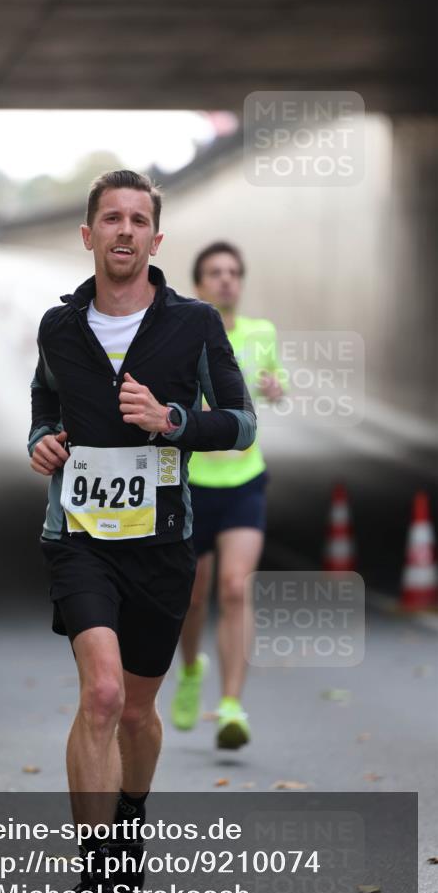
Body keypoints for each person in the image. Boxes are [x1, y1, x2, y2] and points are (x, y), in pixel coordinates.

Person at [28, 173, 255, 893]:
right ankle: (94, 877)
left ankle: (129, 817)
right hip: (80, 538)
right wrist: (42, 441)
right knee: (97, 697)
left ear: (156, 241)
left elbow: (242, 424)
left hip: (160, 547)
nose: (123, 231)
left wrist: (172, 420)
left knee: (134, 710)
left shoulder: (190, 324)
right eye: (110, 219)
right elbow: (42, 402)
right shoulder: (59, 328)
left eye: (138, 221)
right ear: (87, 234)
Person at [170, 241, 283, 750]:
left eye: (233, 272)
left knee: (236, 588)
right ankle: (192, 668)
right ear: (198, 285)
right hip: (192, 486)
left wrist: (276, 387)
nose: (225, 280)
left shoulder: (261, 333)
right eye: (214, 273)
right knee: (193, 598)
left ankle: (233, 705)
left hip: (243, 482)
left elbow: (273, 380)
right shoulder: (184, 333)